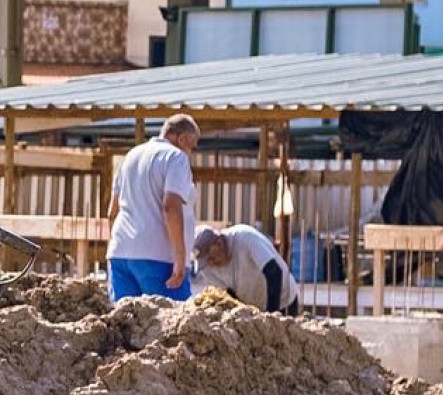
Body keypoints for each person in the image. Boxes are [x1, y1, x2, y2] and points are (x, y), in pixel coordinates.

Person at [106, 113, 201, 302]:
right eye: (192, 146)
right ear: (182, 139)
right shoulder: (176, 158)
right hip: (159, 258)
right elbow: (170, 207)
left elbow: (112, 213)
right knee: (171, 325)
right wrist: (180, 257)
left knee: (124, 324)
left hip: (120, 253)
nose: (190, 152)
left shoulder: (130, 156)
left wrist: (114, 245)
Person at [193, 224, 300, 315]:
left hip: (283, 300)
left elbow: (274, 272)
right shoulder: (207, 268)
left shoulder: (246, 239)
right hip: (255, 307)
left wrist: (271, 316)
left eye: (211, 258)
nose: (211, 264)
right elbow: (228, 296)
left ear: (219, 243)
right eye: (207, 262)